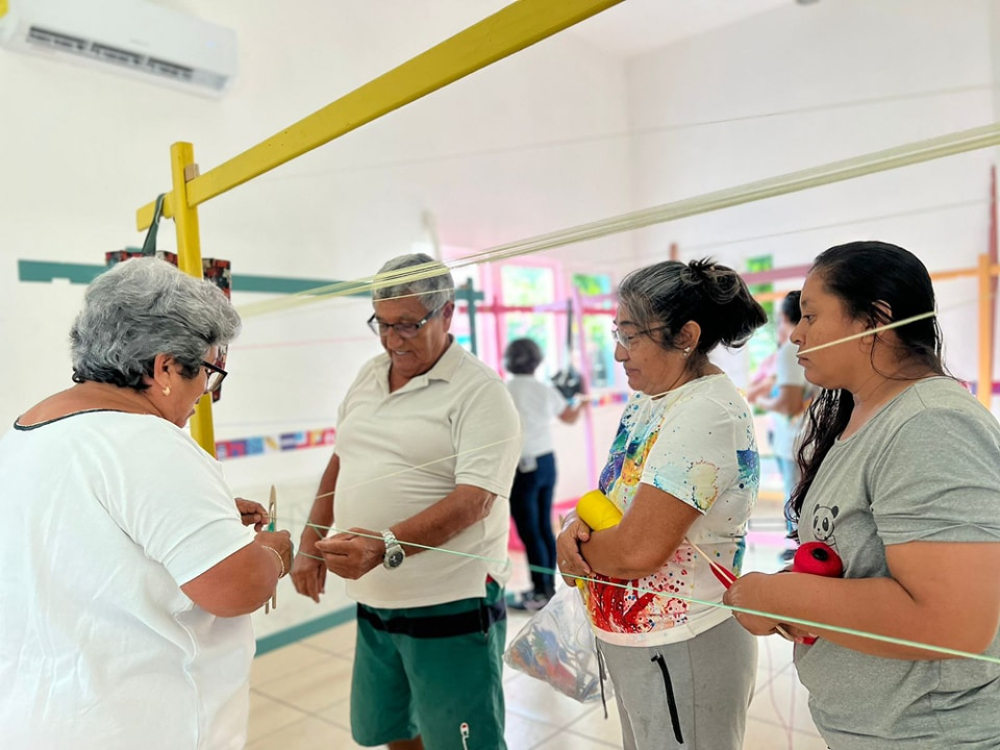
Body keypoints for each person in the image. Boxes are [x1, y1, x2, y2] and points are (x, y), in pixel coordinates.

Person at [0, 257, 294, 749]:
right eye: (207, 372)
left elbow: (90, 541)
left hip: (38, 718)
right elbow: (237, 589)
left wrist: (209, 522)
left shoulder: (27, 432)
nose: (205, 390)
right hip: (134, 725)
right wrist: (274, 553)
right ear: (164, 367)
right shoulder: (148, 442)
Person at [724, 241, 1000, 750]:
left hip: (931, 735)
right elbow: (862, 562)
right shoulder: (868, 412)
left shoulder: (931, 424)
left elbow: (951, 620)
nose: (797, 336)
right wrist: (790, 595)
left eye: (810, 315)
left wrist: (777, 595)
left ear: (875, 319)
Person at [290, 253, 520, 750]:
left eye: (408, 325)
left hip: (449, 601)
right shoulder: (369, 375)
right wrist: (311, 536)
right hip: (376, 603)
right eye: (382, 324)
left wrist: (387, 544)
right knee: (391, 729)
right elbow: (342, 458)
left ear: (447, 314)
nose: (392, 340)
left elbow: (474, 501)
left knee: (460, 741)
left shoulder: (480, 393)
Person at [557, 258, 767, 750]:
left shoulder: (706, 411)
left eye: (631, 337)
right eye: (617, 333)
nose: (617, 352)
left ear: (686, 336)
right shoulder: (651, 399)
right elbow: (610, 499)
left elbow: (637, 551)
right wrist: (572, 525)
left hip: (683, 645)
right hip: (642, 643)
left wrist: (574, 558)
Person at [503, 337, 584, 611]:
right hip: (546, 462)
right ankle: (547, 589)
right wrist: (580, 399)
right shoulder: (543, 389)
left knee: (530, 531)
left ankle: (541, 591)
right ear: (537, 361)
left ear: (509, 360)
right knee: (542, 527)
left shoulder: (504, 389)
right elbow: (570, 417)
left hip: (521, 466)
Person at [749, 290, 810, 561]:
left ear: (785, 318)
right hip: (816, 438)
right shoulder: (817, 347)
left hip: (796, 439)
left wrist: (763, 401)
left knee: (795, 495)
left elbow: (789, 405)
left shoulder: (790, 351)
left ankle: (800, 550)